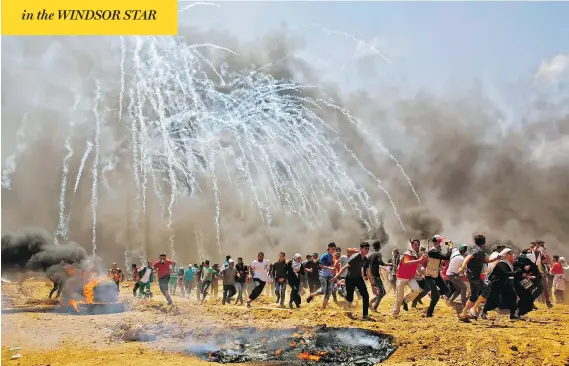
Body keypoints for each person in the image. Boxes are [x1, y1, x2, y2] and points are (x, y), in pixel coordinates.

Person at [458, 234, 501, 322]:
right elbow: (468, 257)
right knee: (486, 290)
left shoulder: (477, 249)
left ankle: (464, 314)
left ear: (475, 241)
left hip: (471, 274)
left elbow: (488, 260)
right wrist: (462, 266)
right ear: (484, 242)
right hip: (474, 275)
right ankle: (473, 309)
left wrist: (497, 258)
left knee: (474, 295)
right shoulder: (479, 250)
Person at [331, 242, 372, 320]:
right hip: (350, 278)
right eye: (365, 248)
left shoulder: (366, 259)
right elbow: (345, 267)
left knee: (365, 295)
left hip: (359, 278)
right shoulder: (355, 257)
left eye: (368, 248)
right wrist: (336, 276)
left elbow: (368, 272)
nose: (367, 250)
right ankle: (341, 288)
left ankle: (365, 316)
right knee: (350, 298)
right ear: (361, 249)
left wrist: (373, 285)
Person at [479, 248, 520, 320]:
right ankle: (483, 312)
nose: (512, 255)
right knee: (494, 301)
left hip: (504, 283)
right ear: (505, 255)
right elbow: (506, 272)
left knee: (512, 296)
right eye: (510, 253)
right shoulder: (502, 263)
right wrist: (516, 272)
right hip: (496, 284)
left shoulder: (508, 263)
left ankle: (513, 314)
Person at [393, 240, 428, 317]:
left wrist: (419, 273)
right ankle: (395, 313)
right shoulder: (407, 253)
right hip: (401, 277)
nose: (417, 246)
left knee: (416, 290)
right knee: (399, 298)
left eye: (418, 244)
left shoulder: (417, 254)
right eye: (415, 245)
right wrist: (419, 260)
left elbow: (414, 266)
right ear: (412, 245)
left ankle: (405, 301)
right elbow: (406, 263)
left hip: (410, 277)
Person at [423, 235, 452, 317]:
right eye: (439, 241)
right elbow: (447, 257)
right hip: (429, 275)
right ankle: (429, 313)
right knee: (436, 297)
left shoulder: (437, 251)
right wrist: (450, 248)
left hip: (436, 274)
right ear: (435, 242)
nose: (441, 243)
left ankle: (432, 293)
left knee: (447, 291)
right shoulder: (432, 251)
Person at [306, 243, 337, 309]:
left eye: (334, 249)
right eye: (333, 249)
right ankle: (312, 295)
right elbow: (320, 265)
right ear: (329, 248)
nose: (334, 250)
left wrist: (333, 272)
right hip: (323, 276)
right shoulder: (324, 255)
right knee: (323, 291)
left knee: (329, 292)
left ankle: (323, 307)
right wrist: (330, 268)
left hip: (330, 275)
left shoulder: (332, 256)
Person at [368, 241, 392, 312]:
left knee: (383, 292)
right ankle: (374, 308)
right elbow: (381, 263)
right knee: (382, 292)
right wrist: (390, 264)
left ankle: (370, 302)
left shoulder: (371, 255)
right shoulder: (378, 254)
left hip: (373, 276)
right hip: (376, 276)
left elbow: (366, 263)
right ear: (379, 247)